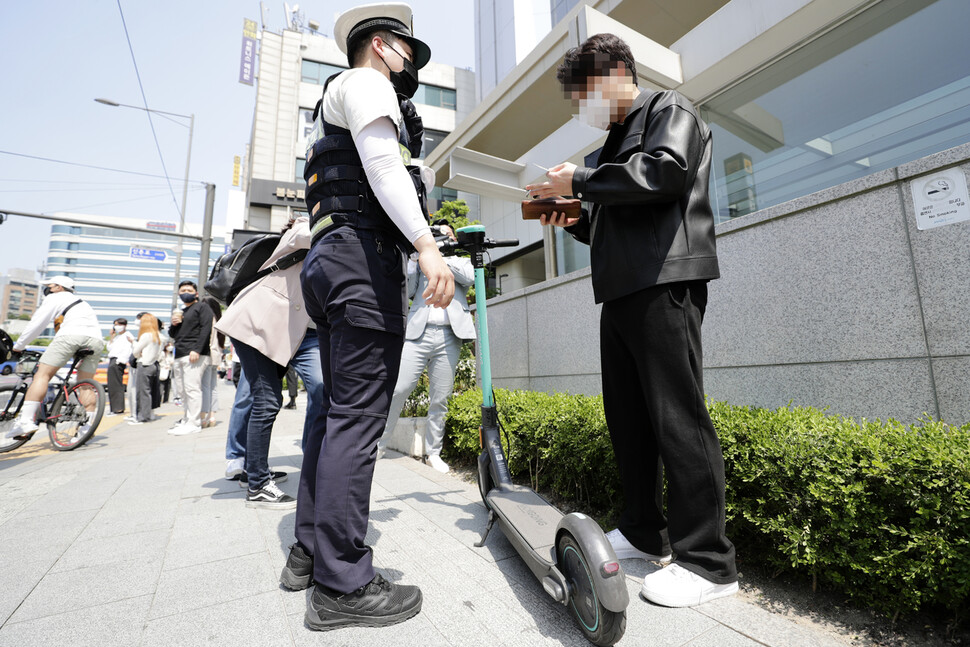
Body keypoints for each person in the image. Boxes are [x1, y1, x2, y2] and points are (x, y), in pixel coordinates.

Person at [525, 34, 738, 608]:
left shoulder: (671, 109)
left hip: (665, 281)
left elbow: (665, 173)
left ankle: (709, 562)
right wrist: (569, 215)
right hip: (620, 291)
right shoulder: (612, 143)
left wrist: (583, 183)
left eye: (586, 92)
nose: (584, 107)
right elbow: (604, 224)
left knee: (677, 417)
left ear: (619, 71)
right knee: (629, 420)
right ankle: (645, 531)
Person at [286, 2, 454, 631]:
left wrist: (426, 231)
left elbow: (367, 179)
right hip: (360, 264)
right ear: (382, 44)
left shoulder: (331, 106)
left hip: (332, 260)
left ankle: (309, 551)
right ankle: (342, 583)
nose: (410, 63)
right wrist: (427, 244)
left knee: (333, 415)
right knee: (358, 420)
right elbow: (383, 170)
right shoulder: (364, 82)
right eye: (408, 50)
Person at [216, 216, 325, 507]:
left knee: (320, 388)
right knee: (266, 401)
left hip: (301, 333)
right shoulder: (300, 229)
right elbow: (306, 234)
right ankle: (258, 485)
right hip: (259, 325)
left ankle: (257, 471)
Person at [378, 222, 475, 473]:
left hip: (449, 336)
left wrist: (439, 254)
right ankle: (378, 445)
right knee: (399, 388)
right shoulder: (421, 263)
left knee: (440, 398)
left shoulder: (459, 260)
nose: (440, 236)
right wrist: (416, 259)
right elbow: (407, 291)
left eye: (445, 232)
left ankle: (433, 453)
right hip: (417, 334)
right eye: (435, 232)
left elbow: (469, 277)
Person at [1, 276, 104, 447]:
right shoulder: (83, 303)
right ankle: (86, 431)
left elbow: (37, 324)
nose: (47, 290)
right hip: (96, 341)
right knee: (85, 385)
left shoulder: (55, 297)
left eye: (49, 286)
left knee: (42, 375)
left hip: (71, 336)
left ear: (58, 287)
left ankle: (26, 421)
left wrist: (18, 346)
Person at [167, 280, 213, 435]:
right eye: (182, 290)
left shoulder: (202, 307)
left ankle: (194, 422)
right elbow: (172, 335)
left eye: (189, 289)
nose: (185, 292)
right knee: (183, 391)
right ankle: (186, 419)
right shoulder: (181, 312)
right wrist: (174, 324)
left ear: (196, 293)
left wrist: (197, 349)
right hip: (179, 354)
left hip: (194, 354)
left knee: (192, 389)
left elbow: (206, 329)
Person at [129, 313, 163, 424]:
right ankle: (148, 415)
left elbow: (135, 351)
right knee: (149, 392)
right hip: (153, 364)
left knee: (142, 392)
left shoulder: (146, 335)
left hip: (144, 365)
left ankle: (142, 417)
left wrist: (139, 355)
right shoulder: (157, 336)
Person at [199, 297, 224, 428]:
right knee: (213, 387)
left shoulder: (207, 317)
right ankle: (212, 416)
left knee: (205, 387)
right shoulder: (219, 319)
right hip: (216, 354)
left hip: (207, 355)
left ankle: (203, 417)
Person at [105, 317, 134, 415]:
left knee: (116, 385)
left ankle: (118, 409)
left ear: (124, 325)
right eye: (115, 325)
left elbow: (127, 350)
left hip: (118, 361)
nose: (116, 327)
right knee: (112, 386)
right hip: (113, 360)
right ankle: (115, 408)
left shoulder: (127, 335)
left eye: (118, 325)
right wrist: (112, 337)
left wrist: (120, 361)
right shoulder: (117, 337)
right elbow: (110, 348)